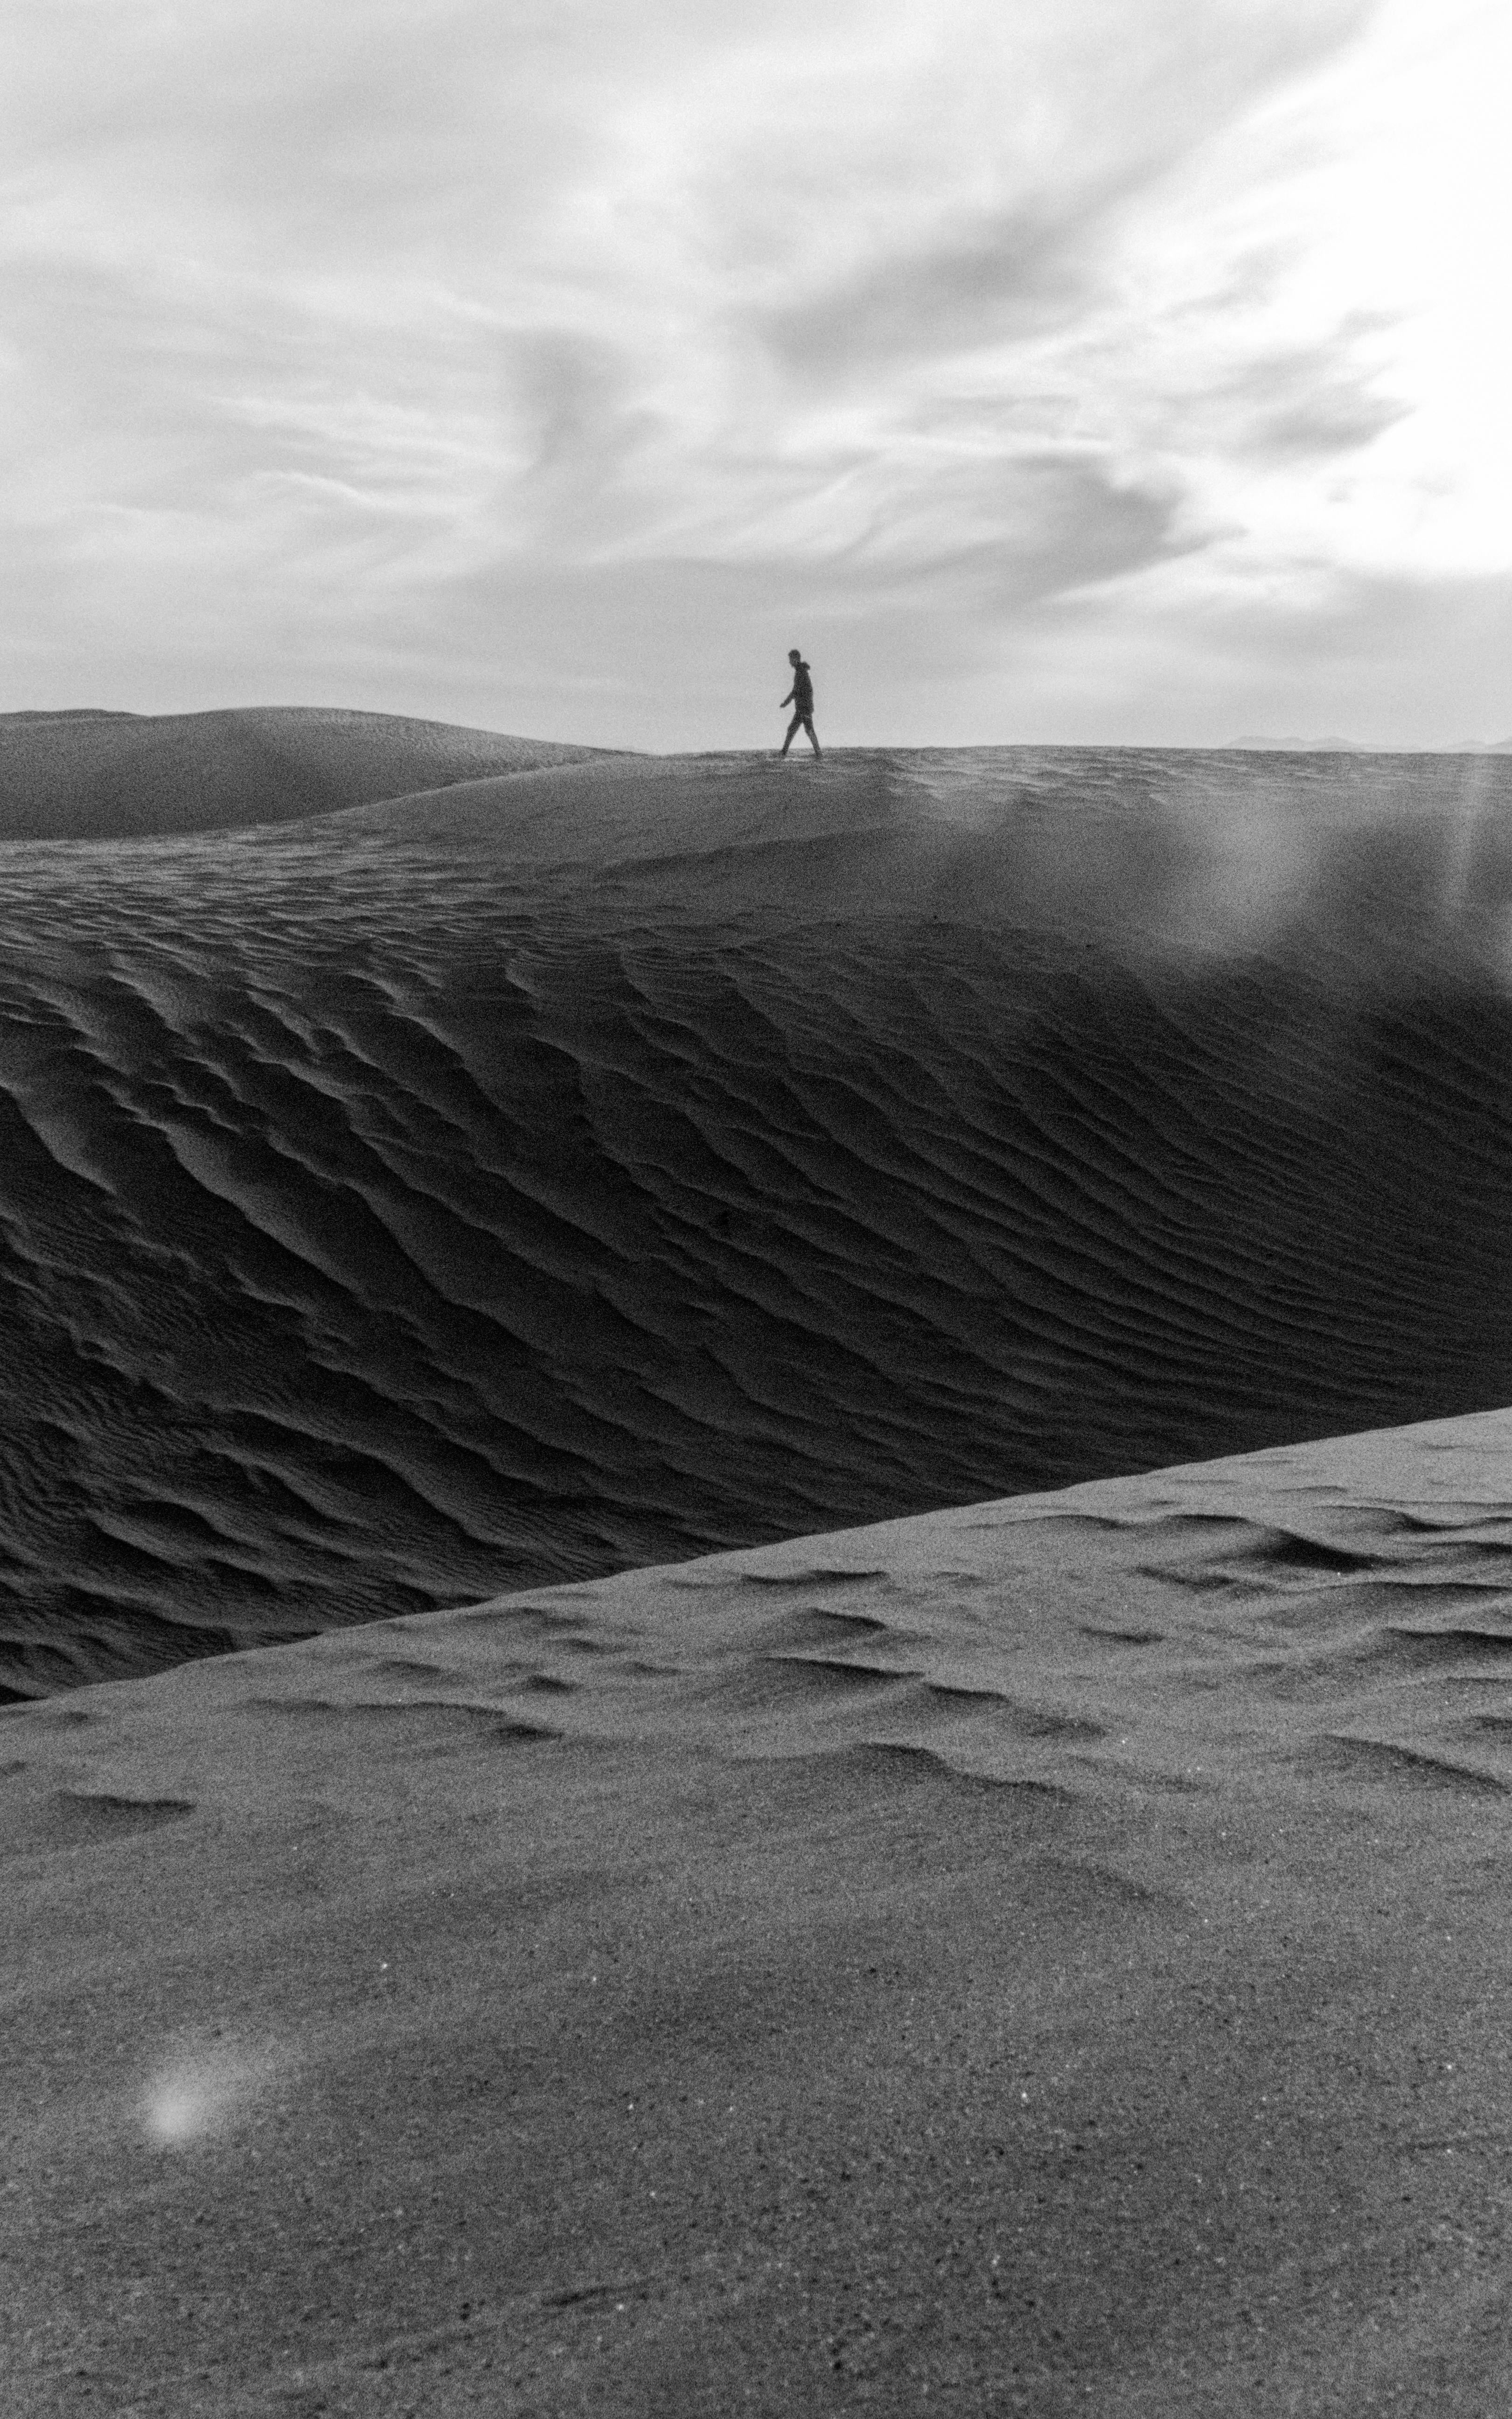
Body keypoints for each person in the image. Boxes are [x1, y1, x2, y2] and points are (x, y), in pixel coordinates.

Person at [779, 650, 822, 757]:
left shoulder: (801, 672)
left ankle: (819, 754)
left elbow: (796, 691)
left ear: (795, 659)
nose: (789, 662)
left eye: (790, 660)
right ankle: (784, 752)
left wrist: (786, 703)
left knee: (809, 730)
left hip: (804, 708)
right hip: (802, 708)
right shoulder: (800, 671)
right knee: (794, 729)